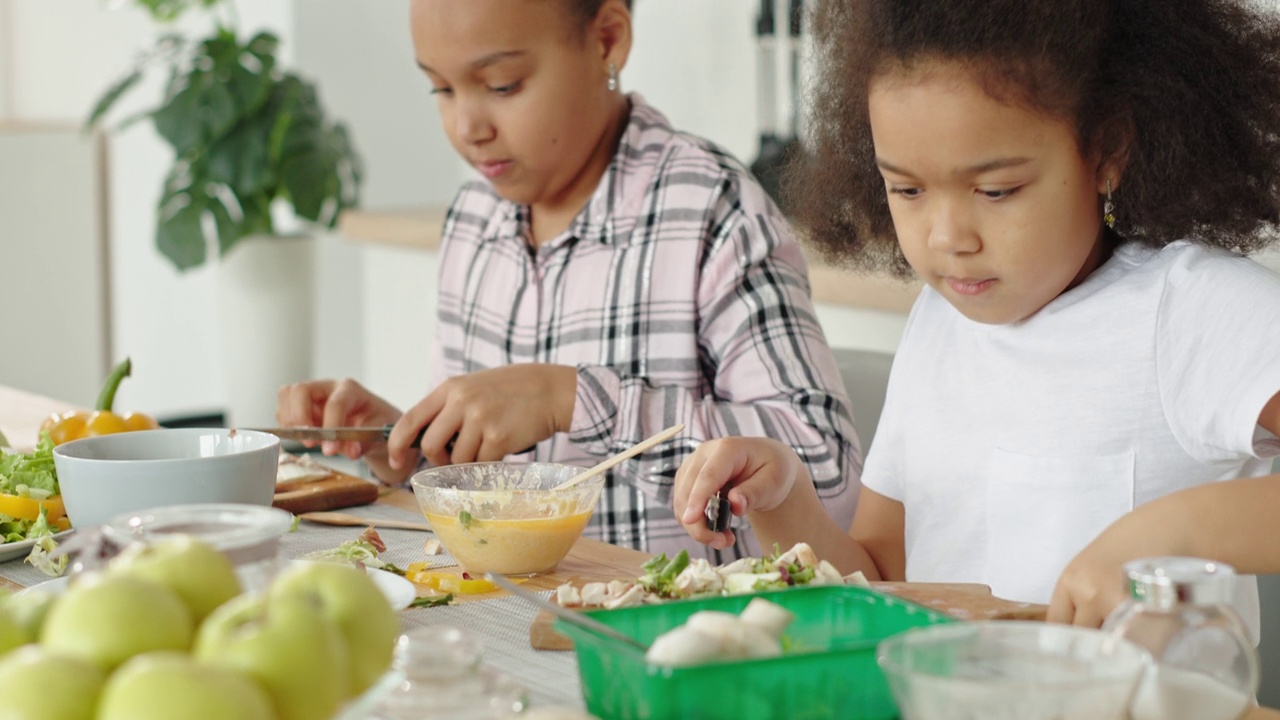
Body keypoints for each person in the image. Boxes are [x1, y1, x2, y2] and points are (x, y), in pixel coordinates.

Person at [673, 0, 1280, 636]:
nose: (947, 238)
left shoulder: (1188, 310)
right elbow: (884, 584)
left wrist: (1167, 534)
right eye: (907, 189)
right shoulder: (938, 323)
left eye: (995, 192)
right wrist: (784, 500)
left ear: (1107, 151)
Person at [276, 0, 861, 559]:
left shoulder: (712, 209)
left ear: (607, 39)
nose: (467, 125)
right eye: (442, 88)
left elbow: (827, 476)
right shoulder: (472, 220)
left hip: (674, 638)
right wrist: (401, 445)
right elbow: (488, 492)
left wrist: (574, 401)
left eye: (502, 84)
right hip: (512, 624)